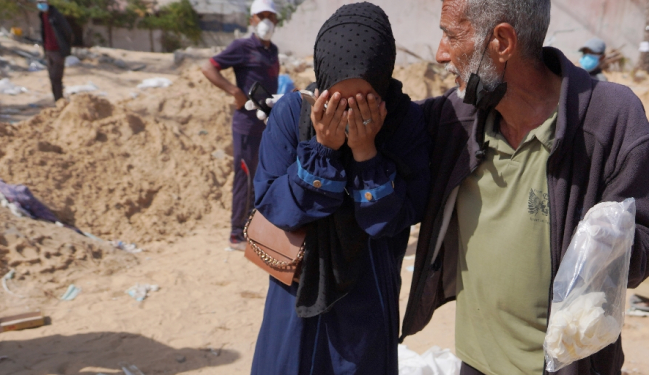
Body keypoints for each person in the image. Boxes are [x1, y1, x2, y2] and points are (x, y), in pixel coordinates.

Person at [400, 0, 649, 374]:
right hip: (475, 364)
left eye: (452, 35)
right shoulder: (458, 118)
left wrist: (613, 242)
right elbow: (385, 123)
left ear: (502, 42)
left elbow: (642, 247)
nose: (441, 54)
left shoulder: (609, 120)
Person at [250, 3, 430, 374]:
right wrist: (322, 152)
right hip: (296, 292)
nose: (349, 114)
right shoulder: (291, 114)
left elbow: (398, 219)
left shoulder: (405, 123)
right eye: (337, 100)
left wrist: (366, 155)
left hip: (368, 294)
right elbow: (271, 205)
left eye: (363, 101)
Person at [200, 0, 280, 251]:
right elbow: (208, 67)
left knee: (262, 178)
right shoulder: (242, 46)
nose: (266, 20)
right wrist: (235, 91)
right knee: (245, 177)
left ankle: (253, 228)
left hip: (266, 124)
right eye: (261, 15)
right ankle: (237, 234)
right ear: (252, 20)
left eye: (271, 16)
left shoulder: (272, 50)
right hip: (246, 124)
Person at [37, 0, 73, 102]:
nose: (41, 4)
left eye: (42, 2)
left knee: (56, 78)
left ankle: (59, 101)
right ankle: (57, 100)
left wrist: (65, 47)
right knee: (52, 78)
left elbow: (68, 32)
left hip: (58, 51)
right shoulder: (42, 16)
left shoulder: (56, 16)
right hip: (48, 51)